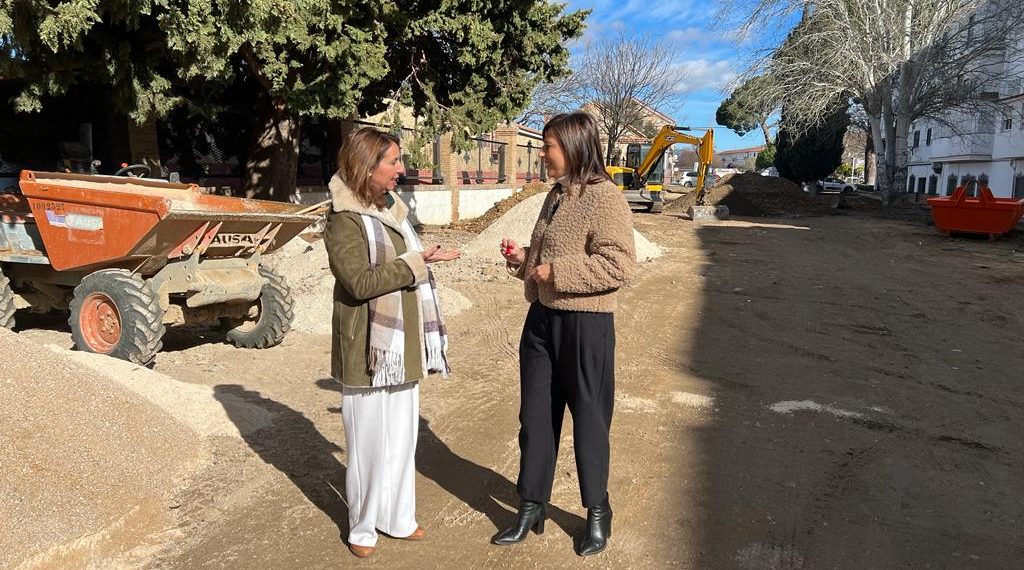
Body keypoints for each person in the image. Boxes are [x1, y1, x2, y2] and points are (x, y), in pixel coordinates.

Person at [494, 112, 637, 556]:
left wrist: (555, 271)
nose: (542, 155)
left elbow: (619, 266)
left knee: (590, 421)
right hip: (541, 320)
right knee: (535, 419)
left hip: (586, 324)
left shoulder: (605, 198)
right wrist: (524, 260)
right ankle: (531, 506)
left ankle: (597, 512)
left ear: (573, 147)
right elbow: (544, 259)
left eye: (548, 147)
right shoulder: (554, 196)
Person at [323, 127, 459, 558]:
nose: (402, 169)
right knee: (366, 442)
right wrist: (416, 264)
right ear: (368, 166)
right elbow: (359, 282)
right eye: (394, 162)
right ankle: (362, 528)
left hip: (401, 348)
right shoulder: (344, 218)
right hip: (366, 346)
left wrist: (423, 259)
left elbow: (403, 266)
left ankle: (397, 518)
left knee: (401, 436)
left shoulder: (392, 210)